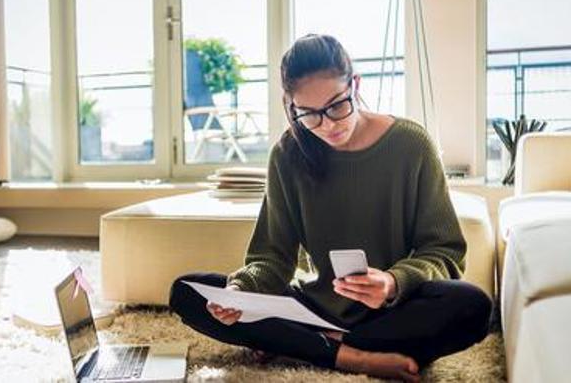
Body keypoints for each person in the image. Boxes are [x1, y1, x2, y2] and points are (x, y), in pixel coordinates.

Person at [168, 34, 491, 382]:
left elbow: (445, 251)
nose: (328, 124)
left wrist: (393, 282)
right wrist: (241, 292)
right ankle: (353, 356)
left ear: (355, 84)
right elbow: (272, 258)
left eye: (338, 105)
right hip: (313, 309)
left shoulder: (412, 145)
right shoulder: (288, 155)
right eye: (309, 114)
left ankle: (310, 346)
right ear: (292, 107)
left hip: (389, 311)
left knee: (474, 306)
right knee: (187, 291)